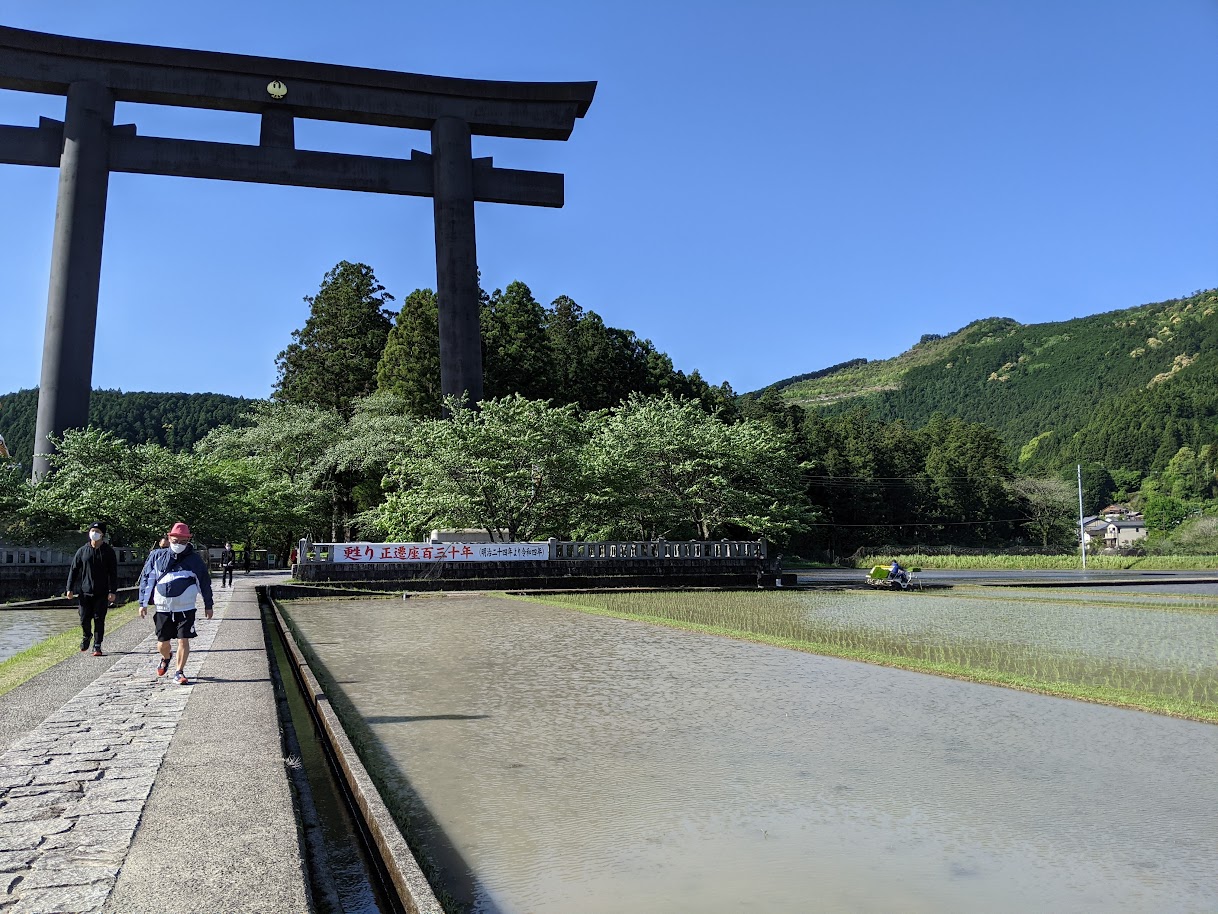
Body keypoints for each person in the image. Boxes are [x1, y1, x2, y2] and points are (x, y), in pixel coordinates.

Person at [139, 521, 214, 685]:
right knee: (162, 643)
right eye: (176, 540)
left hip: (186, 608)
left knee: (183, 639)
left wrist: (208, 604)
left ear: (189, 540)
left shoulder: (194, 560)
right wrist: (142, 603)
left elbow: (204, 583)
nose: (179, 544)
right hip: (163, 607)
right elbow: (147, 579)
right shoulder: (157, 556)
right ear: (169, 537)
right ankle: (166, 657)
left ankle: (179, 671)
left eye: (183, 541)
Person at [65, 521, 118, 656]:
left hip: (102, 592)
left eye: (98, 532)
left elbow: (113, 572)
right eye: (92, 531)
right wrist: (69, 588)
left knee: (99, 618)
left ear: (102, 535)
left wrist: (113, 591)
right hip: (85, 592)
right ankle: (86, 635)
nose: (94, 533)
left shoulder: (108, 551)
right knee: (84, 618)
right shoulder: (82, 551)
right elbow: (74, 570)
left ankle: (97, 645)